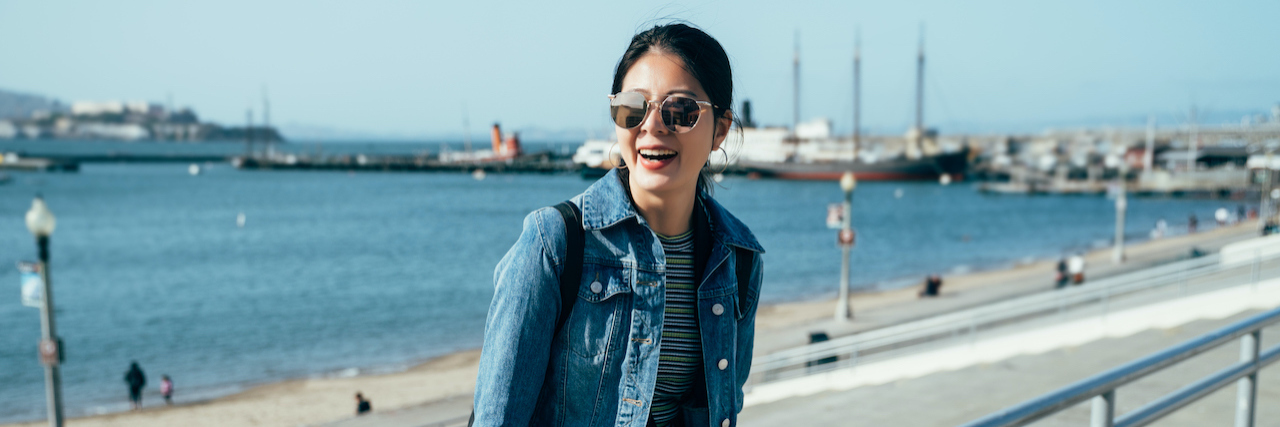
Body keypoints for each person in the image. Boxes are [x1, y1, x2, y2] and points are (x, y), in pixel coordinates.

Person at [472, 23, 764, 427]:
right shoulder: (555, 243)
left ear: (721, 129)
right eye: (632, 107)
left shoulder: (738, 259)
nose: (652, 125)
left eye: (681, 111)